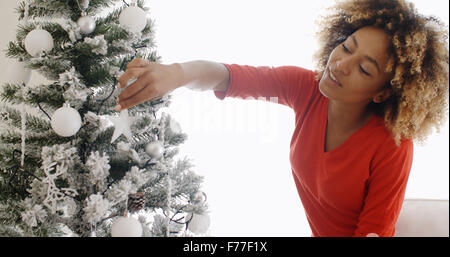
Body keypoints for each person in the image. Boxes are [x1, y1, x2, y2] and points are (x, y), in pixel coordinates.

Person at [114, 0, 449, 237]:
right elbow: (227, 76)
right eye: (347, 47)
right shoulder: (306, 87)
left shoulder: (392, 145)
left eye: (364, 68)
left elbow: (375, 231)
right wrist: (175, 73)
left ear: (382, 93)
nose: (341, 64)